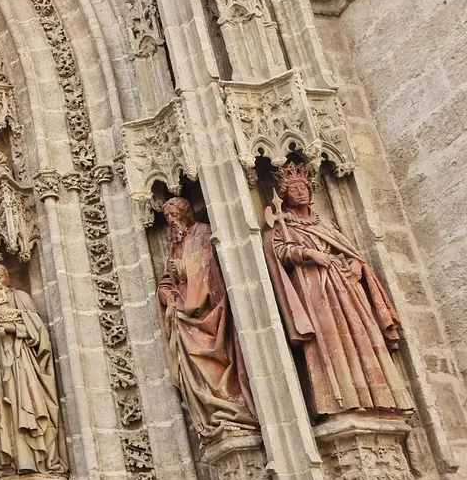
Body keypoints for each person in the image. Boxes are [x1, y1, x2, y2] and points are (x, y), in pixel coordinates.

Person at [262, 162, 412, 415]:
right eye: (293, 188)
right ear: (284, 194)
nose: (300, 192)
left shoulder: (327, 223)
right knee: (328, 341)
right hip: (315, 290)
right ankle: (342, 400)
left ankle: (380, 398)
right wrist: (307, 252)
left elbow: (348, 250)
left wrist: (356, 264)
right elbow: (277, 251)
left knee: (362, 337)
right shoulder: (282, 226)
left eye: (304, 187)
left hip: (346, 286)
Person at [156, 197, 256, 438]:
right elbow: (170, 276)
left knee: (217, 357)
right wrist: (165, 289)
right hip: (184, 309)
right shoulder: (175, 244)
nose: (171, 220)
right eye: (167, 217)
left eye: (174, 214)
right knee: (188, 355)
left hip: (207, 309)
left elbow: (206, 268)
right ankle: (213, 413)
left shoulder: (202, 233)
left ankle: (233, 409)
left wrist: (181, 270)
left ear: (185, 213)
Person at [0, 264, 68, 476]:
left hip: (22, 363)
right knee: (5, 416)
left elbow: (39, 334)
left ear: (7, 276)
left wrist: (11, 328)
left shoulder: (22, 298)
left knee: (31, 406)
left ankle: (40, 461)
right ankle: (13, 461)